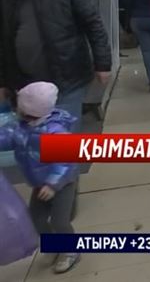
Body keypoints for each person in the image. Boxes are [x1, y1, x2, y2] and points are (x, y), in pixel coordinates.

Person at [0, 0, 112, 129]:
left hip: (66, 79)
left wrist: (102, 63)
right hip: (22, 84)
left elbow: (92, 22)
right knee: (32, 143)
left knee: (62, 139)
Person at [0, 82, 80, 274]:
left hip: (62, 184)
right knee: (36, 219)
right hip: (38, 183)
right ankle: (54, 245)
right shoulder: (20, 127)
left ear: (28, 110)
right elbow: (5, 137)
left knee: (59, 221)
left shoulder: (55, 132)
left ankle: (71, 250)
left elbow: (65, 161)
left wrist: (52, 184)